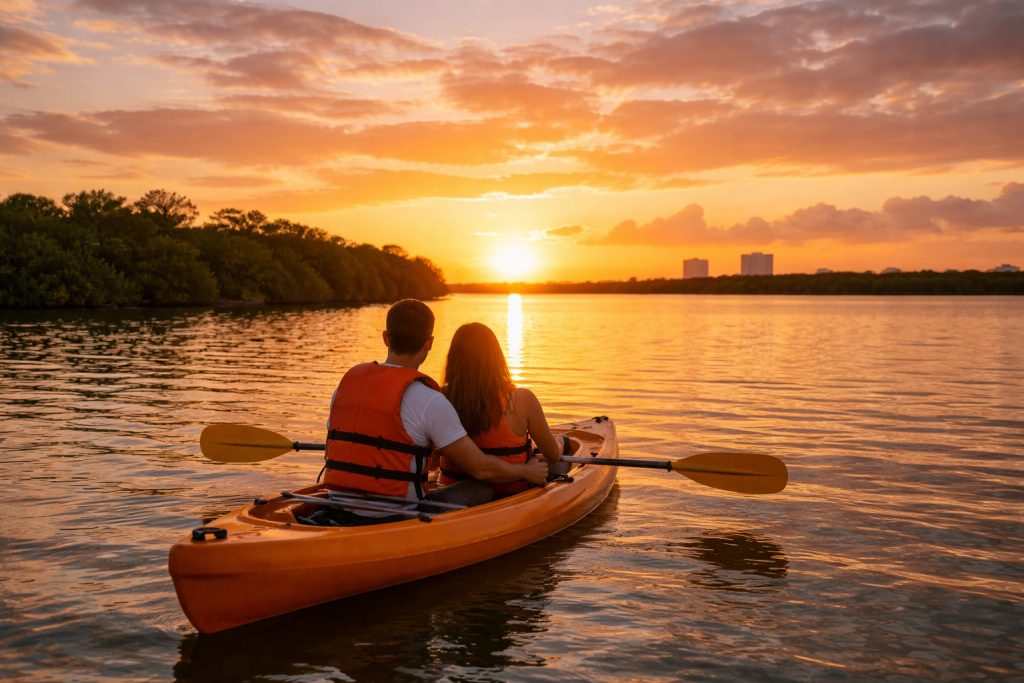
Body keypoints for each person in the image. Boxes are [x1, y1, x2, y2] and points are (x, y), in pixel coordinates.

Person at [315, 300, 549, 525]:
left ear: (386, 338)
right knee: (482, 487)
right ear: (429, 343)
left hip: (338, 506)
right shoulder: (429, 400)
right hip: (399, 516)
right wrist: (525, 470)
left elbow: (331, 450)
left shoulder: (345, 387)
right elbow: (481, 468)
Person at [437, 322, 573, 498]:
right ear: (495, 357)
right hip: (510, 495)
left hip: (457, 493)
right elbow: (553, 454)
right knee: (559, 461)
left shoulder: (439, 398)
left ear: (453, 358)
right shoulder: (521, 399)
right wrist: (561, 441)